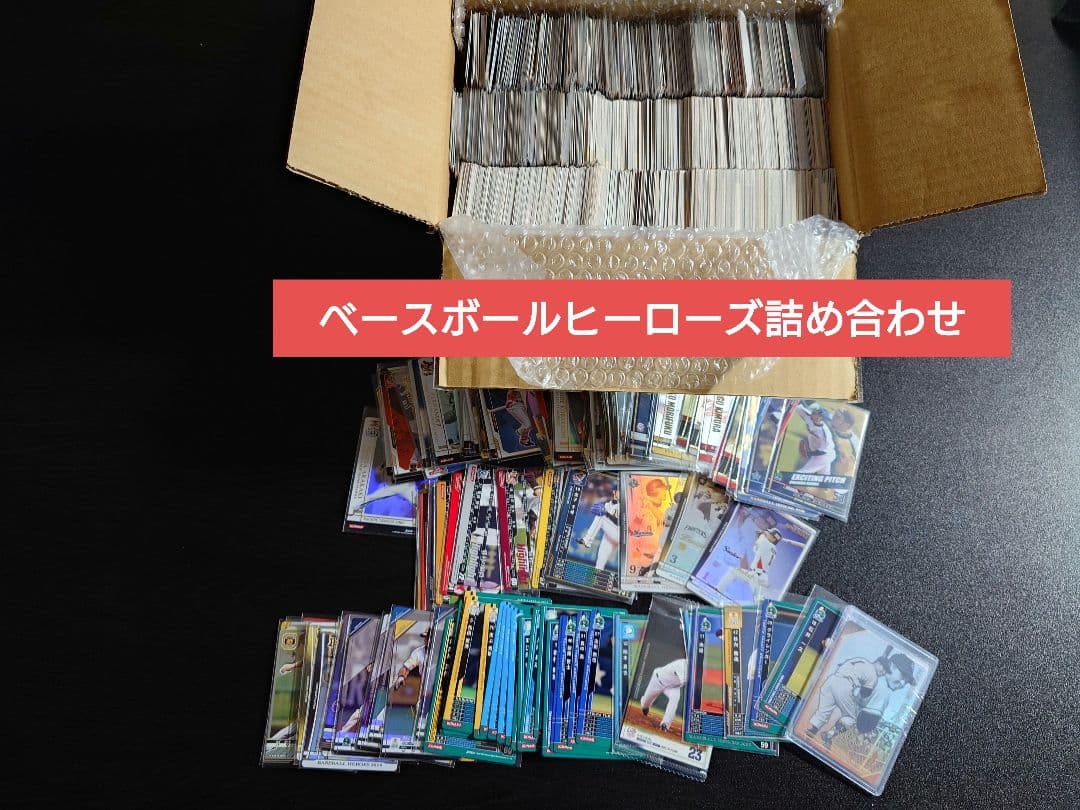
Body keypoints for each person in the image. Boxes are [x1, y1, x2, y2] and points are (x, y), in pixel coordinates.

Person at [804, 651, 916, 749]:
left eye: (906, 681)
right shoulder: (876, 679)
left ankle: (813, 730)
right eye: (903, 676)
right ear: (892, 666)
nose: (903, 683)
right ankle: (828, 735)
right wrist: (860, 703)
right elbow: (861, 695)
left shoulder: (868, 667)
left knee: (825, 708)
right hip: (846, 687)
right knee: (850, 717)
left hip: (832, 681)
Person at [715, 527, 782, 601]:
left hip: (757, 575)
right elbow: (756, 550)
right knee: (758, 599)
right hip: (760, 576)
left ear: (774, 539)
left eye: (770, 534)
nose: (767, 534)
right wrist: (761, 536)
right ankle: (719, 589)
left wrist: (762, 534)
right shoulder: (773, 549)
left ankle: (719, 589)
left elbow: (761, 539)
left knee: (733, 571)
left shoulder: (767, 544)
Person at [576, 489, 620, 571]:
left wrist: (606, 514)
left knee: (601, 515)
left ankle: (587, 540)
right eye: (619, 491)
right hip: (609, 536)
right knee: (600, 564)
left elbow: (620, 523)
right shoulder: (607, 505)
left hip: (620, 534)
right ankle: (597, 578)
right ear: (614, 492)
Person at [640, 658, 687, 732]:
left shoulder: (694, 670)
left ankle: (665, 724)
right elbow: (686, 682)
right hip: (658, 681)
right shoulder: (682, 664)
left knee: (675, 699)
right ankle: (645, 706)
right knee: (645, 704)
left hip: (672, 687)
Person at [793, 403, 837, 476]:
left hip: (825, 455)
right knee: (824, 476)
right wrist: (796, 402)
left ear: (820, 418)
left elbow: (823, 451)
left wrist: (808, 453)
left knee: (803, 472)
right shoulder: (810, 417)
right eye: (816, 412)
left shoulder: (825, 434)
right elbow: (798, 407)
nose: (814, 413)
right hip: (823, 453)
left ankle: (786, 480)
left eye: (817, 413)